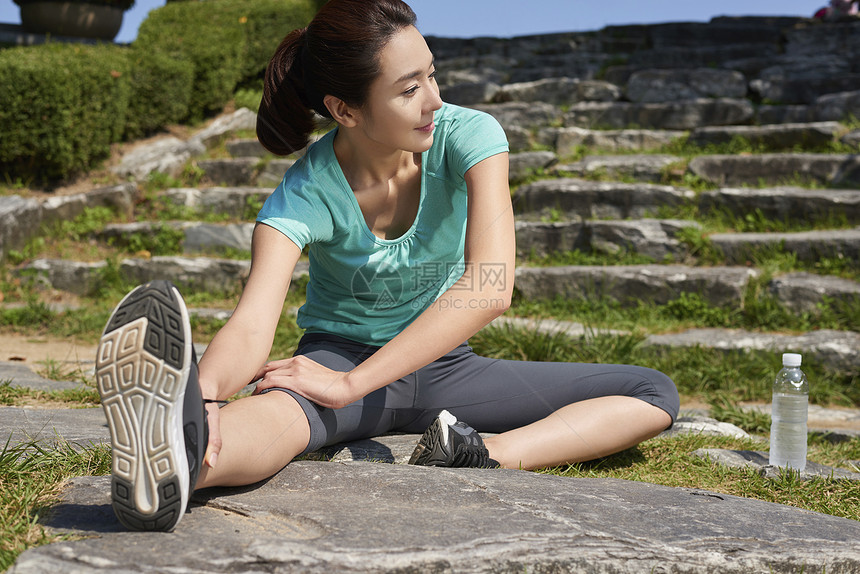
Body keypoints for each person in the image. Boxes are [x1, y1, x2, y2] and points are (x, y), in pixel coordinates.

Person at [95, 0, 680, 532]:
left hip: (444, 368)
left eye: (432, 74)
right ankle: (179, 457)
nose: (433, 101)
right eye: (408, 89)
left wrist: (352, 387)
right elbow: (253, 321)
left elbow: (491, 286)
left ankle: (479, 453)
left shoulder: (469, 136)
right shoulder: (305, 191)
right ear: (344, 109)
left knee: (650, 393)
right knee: (268, 422)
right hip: (337, 354)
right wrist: (209, 393)